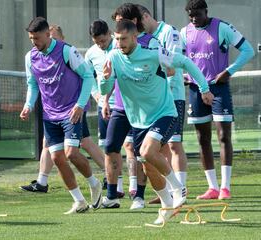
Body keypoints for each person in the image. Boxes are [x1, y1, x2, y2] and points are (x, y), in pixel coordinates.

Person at [100, 19, 213, 224]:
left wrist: (204, 88)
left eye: (124, 39)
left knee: (146, 151)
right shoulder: (114, 57)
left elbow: (186, 62)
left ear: (135, 37)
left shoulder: (153, 54)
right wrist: (105, 78)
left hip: (165, 113)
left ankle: (178, 187)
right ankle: (167, 206)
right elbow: (104, 90)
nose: (120, 43)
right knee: (148, 167)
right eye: (117, 39)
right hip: (139, 121)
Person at [20, 17, 102, 214]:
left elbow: (88, 76)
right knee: (57, 158)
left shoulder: (67, 51)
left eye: (37, 38)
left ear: (48, 34)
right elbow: (32, 84)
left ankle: (94, 183)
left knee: (71, 153)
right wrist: (28, 105)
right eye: (31, 39)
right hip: (50, 115)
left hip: (71, 112)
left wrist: (80, 105)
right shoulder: (30, 57)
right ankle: (79, 201)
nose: (34, 43)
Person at [181, 0, 255, 200]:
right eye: (190, 15)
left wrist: (229, 71)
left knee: (223, 136)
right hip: (196, 90)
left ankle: (225, 187)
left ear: (206, 11)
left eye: (197, 14)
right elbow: (179, 59)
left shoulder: (222, 27)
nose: (194, 19)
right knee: (202, 139)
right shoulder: (184, 32)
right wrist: (184, 75)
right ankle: (212, 188)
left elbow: (249, 50)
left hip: (218, 87)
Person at [85, 19, 144, 210]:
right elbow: (91, 78)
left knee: (136, 148)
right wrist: (100, 97)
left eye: (103, 41)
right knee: (110, 147)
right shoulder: (92, 54)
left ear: (110, 34)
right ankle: (113, 193)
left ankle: (137, 191)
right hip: (111, 106)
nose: (100, 45)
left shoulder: (123, 49)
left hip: (135, 105)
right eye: (96, 42)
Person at [136, 4, 188, 205]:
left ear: (146, 16)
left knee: (174, 144)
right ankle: (169, 189)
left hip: (173, 95)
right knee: (159, 146)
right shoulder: (145, 39)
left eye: (139, 22)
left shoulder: (170, 32)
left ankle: (180, 188)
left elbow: (173, 63)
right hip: (156, 98)